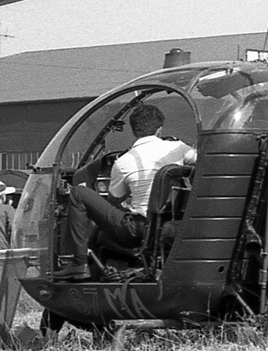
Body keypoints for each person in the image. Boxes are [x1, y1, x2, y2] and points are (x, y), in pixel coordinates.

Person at [57, 104, 197, 279]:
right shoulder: (179, 148)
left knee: (79, 193)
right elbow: (200, 161)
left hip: (137, 230)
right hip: (172, 224)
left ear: (133, 130)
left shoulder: (124, 162)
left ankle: (79, 263)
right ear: (159, 129)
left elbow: (113, 201)